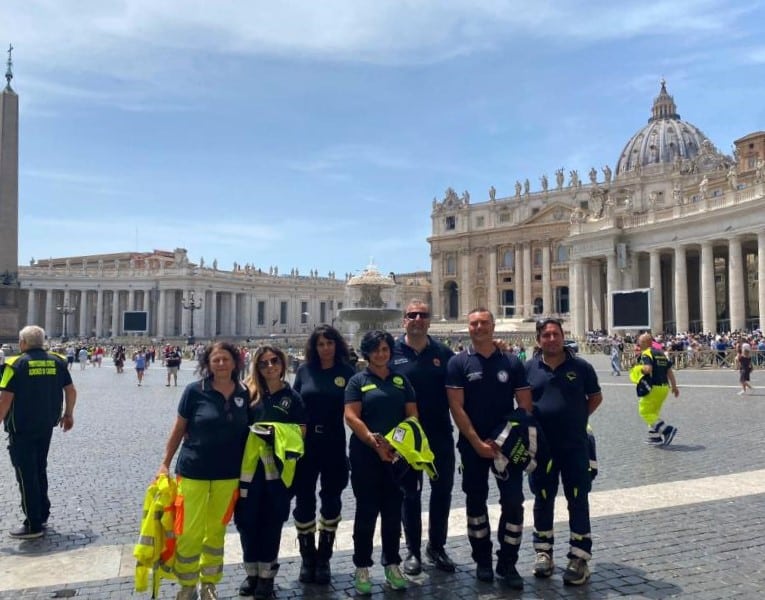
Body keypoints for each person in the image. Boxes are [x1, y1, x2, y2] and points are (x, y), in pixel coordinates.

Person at [446, 308, 532, 589]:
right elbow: (456, 407)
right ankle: (482, 560)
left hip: (507, 444)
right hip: (472, 445)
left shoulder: (512, 361)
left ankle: (508, 562)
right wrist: (475, 441)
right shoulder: (458, 363)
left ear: (493, 326)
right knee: (475, 502)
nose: (479, 327)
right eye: (474, 323)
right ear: (468, 327)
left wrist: (499, 440)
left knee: (513, 502)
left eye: (484, 322)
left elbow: (525, 406)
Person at [157, 341, 250, 600]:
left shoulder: (244, 392)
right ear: (208, 364)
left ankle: (209, 582)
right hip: (193, 470)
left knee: (216, 530)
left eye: (225, 359)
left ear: (235, 362)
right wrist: (165, 462)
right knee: (188, 529)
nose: (221, 364)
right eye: (216, 360)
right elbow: (178, 429)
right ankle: (187, 585)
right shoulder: (194, 391)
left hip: (228, 474)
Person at [525, 318, 603, 586]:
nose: (551, 339)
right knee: (542, 498)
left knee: (578, 498)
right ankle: (543, 552)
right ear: (539, 340)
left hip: (574, 445)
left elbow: (595, 397)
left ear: (563, 336)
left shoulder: (581, 367)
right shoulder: (528, 368)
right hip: (542, 448)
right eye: (545, 335)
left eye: (555, 334)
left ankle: (579, 557)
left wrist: (576, 417)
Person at [344, 330, 418, 595]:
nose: (380, 353)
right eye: (375, 349)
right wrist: (375, 442)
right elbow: (351, 416)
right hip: (366, 456)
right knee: (365, 513)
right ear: (368, 352)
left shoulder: (401, 381)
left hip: (396, 456)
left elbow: (412, 417)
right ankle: (362, 566)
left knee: (391, 513)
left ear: (390, 352)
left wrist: (394, 443)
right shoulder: (357, 381)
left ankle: (392, 564)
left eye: (385, 349)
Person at [391, 300, 457, 575]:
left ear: (429, 320)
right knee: (410, 494)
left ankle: (437, 546)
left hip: (439, 433)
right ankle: (413, 550)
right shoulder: (389, 352)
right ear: (404, 320)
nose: (417, 319)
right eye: (412, 315)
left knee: (442, 492)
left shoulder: (444, 352)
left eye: (422, 315)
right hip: (405, 439)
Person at [236, 346, 307, 600]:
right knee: (246, 522)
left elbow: (301, 433)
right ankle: (251, 573)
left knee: (272, 523)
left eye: (274, 361)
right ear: (257, 366)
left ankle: (267, 576)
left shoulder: (293, 397)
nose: (269, 367)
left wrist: (275, 433)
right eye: (264, 363)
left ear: (282, 364)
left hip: (278, 473)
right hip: (248, 473)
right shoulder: (247, 394)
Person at [291, 325, 355, 584]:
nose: (325, 348)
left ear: (336, 345)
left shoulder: (347, 372)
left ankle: (324, 557)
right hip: (306, 445)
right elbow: (294, 404)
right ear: (314, 347)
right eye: (320, 344)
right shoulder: (305, 371)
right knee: (304, 499)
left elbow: (356, 408)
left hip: (334, 442)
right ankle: (307, 558)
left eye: (329, 343)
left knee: (331, 499)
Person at [0, 325, 77, 538]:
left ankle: (33, 524)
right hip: (46, 426)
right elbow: (70, 391)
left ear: (23, 343)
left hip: (21, 427)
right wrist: (68, 414)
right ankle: (42, 512)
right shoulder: (57, 361)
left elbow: (4, 400)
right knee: (39, 469)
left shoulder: (14, 364)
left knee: (26, 475)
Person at [635, 333, 679, 446]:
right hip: (664, 387)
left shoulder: (646, 354)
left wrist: (639, 370)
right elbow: (669, 370)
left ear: (645, 342)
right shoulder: (660, 353)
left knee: (644, 411)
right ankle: (655, 437)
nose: (638, 343)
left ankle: (667, 430)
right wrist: (674, 386)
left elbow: (648, 369)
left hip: (653, 387)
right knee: (654, 412)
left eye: (640, 341)